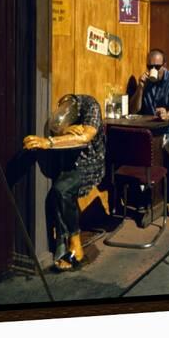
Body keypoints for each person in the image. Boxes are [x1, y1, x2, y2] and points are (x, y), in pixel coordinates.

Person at [23, 94, 105, 271]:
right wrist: (67, 130)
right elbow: (58, 127)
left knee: (62, 190)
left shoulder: (91, 106)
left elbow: (85, 137)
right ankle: (62, 240)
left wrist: (48, 142)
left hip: (90, 162)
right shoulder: (63, 105)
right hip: (67, 162)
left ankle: (76, 246)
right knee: (57, 191)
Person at [129, 48, 169, 226]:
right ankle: (145, 197)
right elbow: (134, 110)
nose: (153, 69)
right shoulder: (146, 81)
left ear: (164, 65)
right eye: (150, 65)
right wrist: (140, 88)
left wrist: (168, 114)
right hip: (153, 133)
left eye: (157, 66)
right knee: (136, 147)